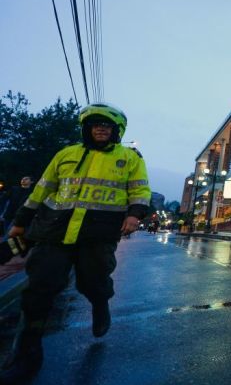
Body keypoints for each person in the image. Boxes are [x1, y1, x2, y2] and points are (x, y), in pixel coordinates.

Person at [0, 103, 151, 383]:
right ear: (86, 128)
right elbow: (42, 189)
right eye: (96, 124)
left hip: (98, 234)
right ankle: (25, 355)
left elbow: (140, 190)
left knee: (92, 282)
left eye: (107, 126)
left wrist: (134, 215)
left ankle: (100, 304)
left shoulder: (129, 158)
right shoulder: (66, 154)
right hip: (54, 232)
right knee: (39, 289)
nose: (101, 129)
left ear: (117, 131)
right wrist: (21, 221)